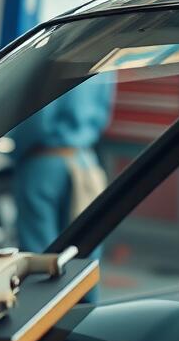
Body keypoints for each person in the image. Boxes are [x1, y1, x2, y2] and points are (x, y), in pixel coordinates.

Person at [8, 75, 115, 255]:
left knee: (40, 252)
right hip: (85, 161)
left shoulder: (50, 60)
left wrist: (17, 149)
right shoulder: (104, 65)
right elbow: (103, 114)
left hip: (44, 160)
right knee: (84, 248)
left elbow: (37, 120)